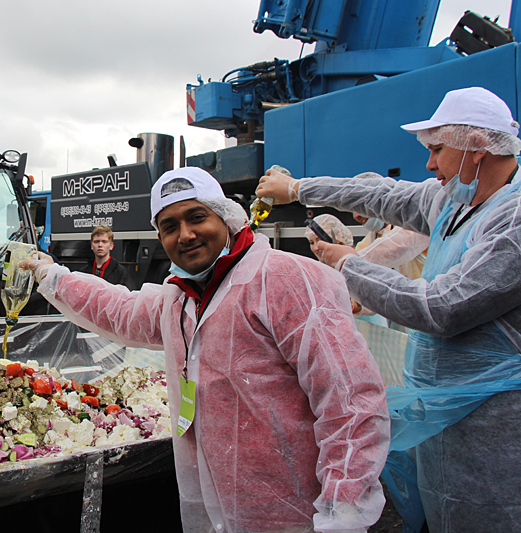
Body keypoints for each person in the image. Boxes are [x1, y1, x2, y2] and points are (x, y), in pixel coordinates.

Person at [20, 167, 389, 533]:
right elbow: (119, 311)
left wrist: (343, 513)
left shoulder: (287, 280)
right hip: (222, 513)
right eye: (169, 226)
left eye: (197, 217)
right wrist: (53, 277)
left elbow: (351, 402)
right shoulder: (182, 299)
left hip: (296, 516)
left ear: (226, 216)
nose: (186, 234)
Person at [256, 86, 521, 533]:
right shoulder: (453, 203)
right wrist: (299, 188)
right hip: (443, 409)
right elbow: (382, 196)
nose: (429, 164)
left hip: (491, 422)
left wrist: (348, 263)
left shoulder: (511, 221)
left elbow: (442, 307)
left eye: (438, 149)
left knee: (486, 514)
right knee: (442, 512)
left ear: (478, 148)